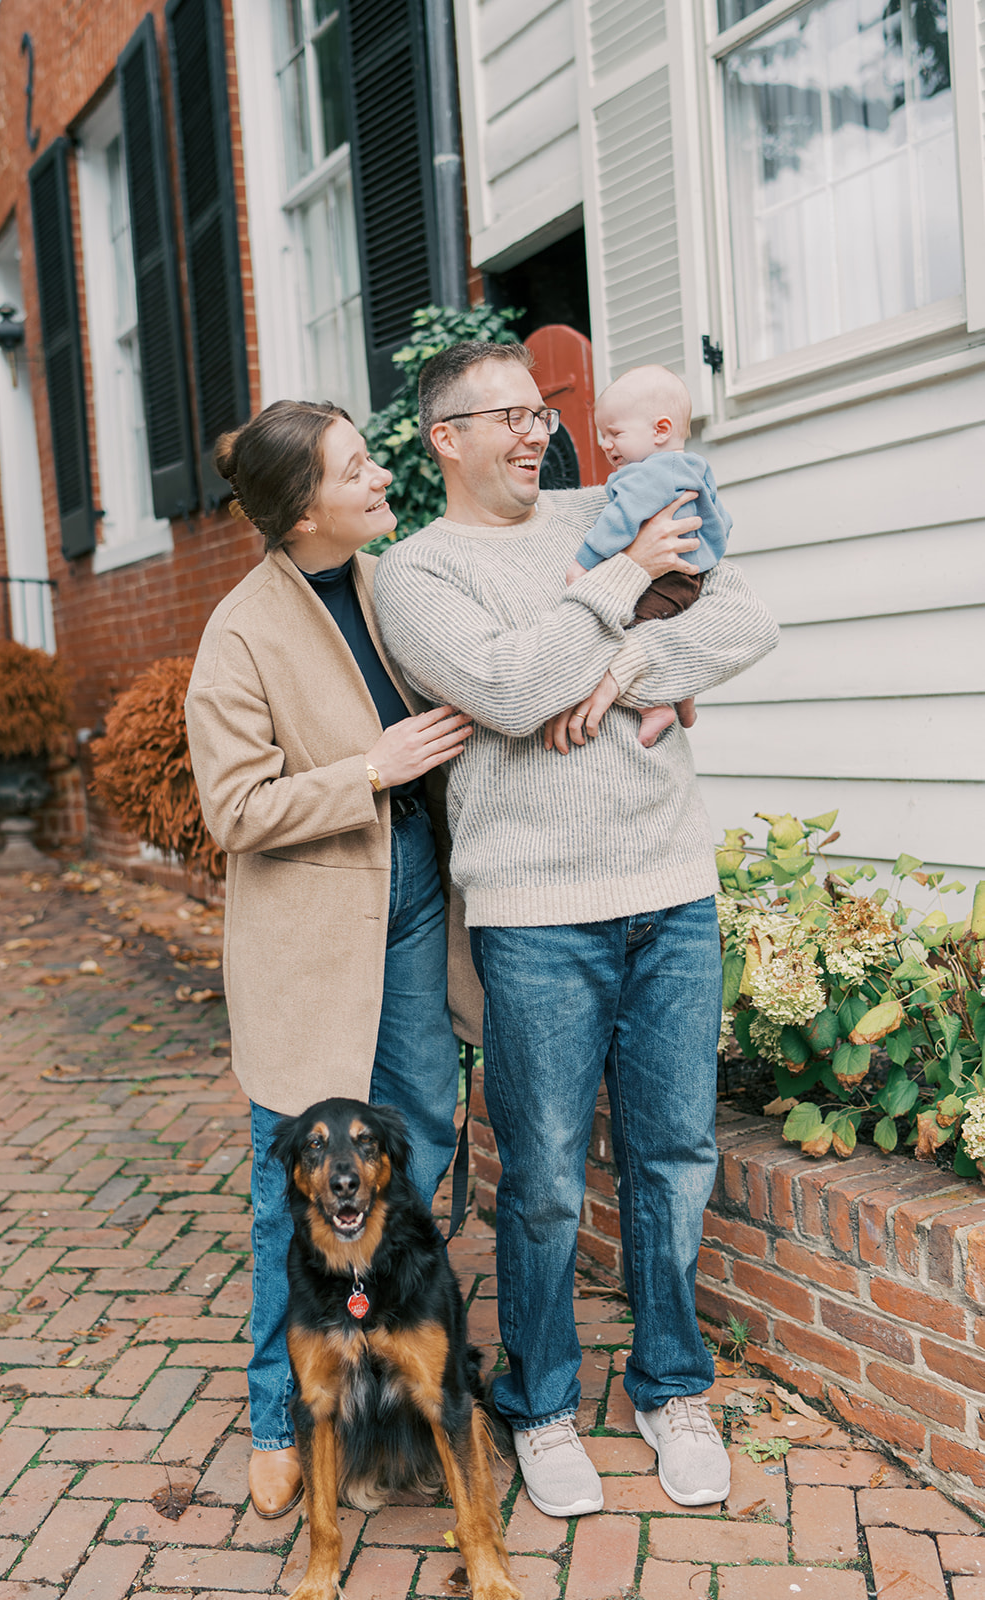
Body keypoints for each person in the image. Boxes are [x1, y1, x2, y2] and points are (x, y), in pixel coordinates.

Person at [372, 341, 779, 1518]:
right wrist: (611, 595)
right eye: (503, 415)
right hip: (537, 914)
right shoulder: (417, 572)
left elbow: (742, 617)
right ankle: (541, 1402)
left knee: (674, 1157)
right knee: (545, 1179)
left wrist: (628, 668)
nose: (534, 429)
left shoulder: (613, 504)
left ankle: (670, 1386)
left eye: (537, 409)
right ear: (443, 438)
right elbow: (500, 688)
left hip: (669, 889)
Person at [184, 399, 481, 1524]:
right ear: (303, 507)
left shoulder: (380, 579)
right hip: (310, 940)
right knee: (289, 1195)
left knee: (415, 1138)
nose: (378, 474)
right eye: (356, 466)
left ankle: (407, 1368)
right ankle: (280, 1417)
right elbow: (233, 808)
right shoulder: (239, 630)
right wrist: (368, 766)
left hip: (410, 909)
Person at [566, 364, 733, 748]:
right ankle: (685, 696)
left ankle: (653, 706)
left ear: (659, 430)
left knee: (630, 631)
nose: (606, 445)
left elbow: (620, 520)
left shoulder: (647, 475)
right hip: (691, 576)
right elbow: (722, 520)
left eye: (615, 434)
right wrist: (709, 551)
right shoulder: (694, 466)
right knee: (671, 632)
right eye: (602, 435)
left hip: (665, 579)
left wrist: (586, 560)